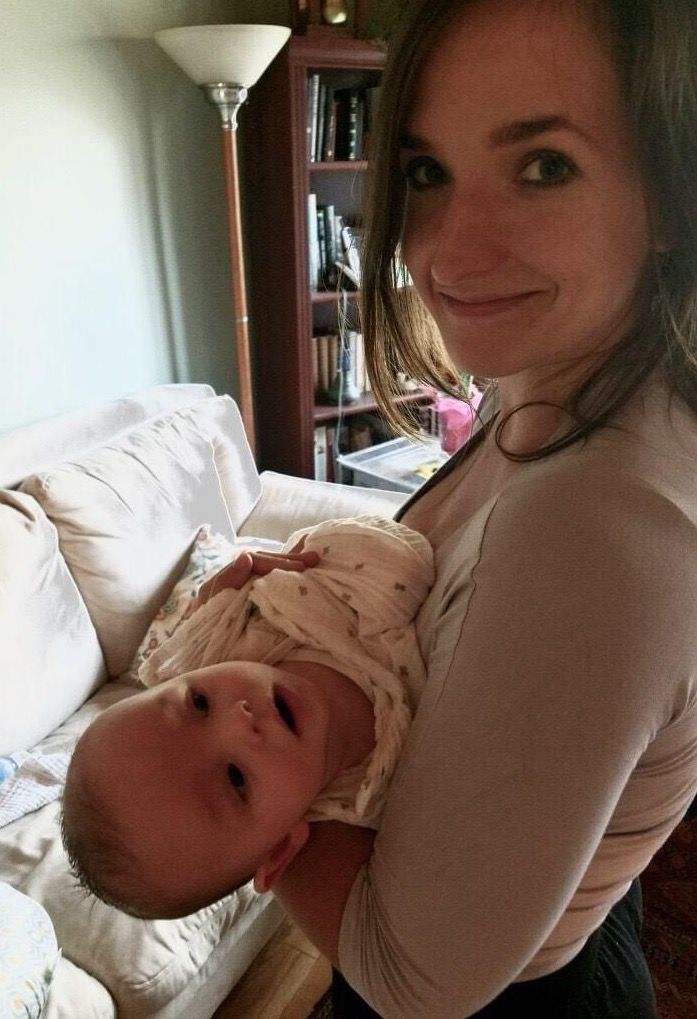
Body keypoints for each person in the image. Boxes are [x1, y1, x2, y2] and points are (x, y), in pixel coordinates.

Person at [202, 1, 697, 1016]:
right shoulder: (555, 379)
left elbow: (414, 980)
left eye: (544, 165)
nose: (447, 254)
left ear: (668, 196)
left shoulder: (594, 518)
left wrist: (247, 794)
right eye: (427, 171)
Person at [61, 516, 434, 919]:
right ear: (281, 849)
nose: (238, 720)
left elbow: (388, 548)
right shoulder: (378, 800)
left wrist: (228, 592)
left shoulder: (234, 634)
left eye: (199, 703)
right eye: (236, 778)